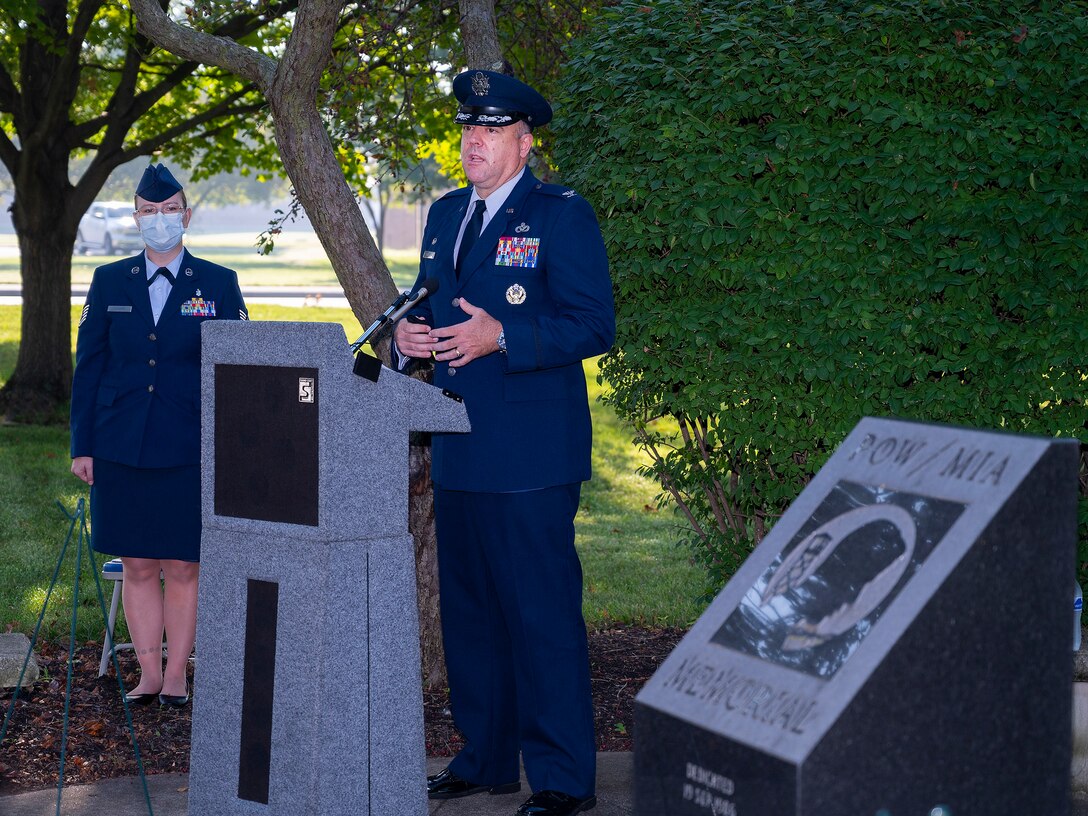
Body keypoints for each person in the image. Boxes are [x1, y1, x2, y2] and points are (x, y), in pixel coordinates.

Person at [394, 70, 615, 816]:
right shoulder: (445, 212)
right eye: (466, 129)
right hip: (458, 449)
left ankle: (561, 782)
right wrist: (405, 337)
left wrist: (504, 336)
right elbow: (427, 301)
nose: (472, 142)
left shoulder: (561, 215)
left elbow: (594, 324)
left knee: (540, 620)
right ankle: (484, 759)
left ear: (524, 142)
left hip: (530, 456)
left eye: (488, 131)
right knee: (473, 619)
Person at [70, 164, 248, 707]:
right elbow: (89, 366)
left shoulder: (217, 283)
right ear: (135, 219)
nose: (159, 220)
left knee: (183, 564)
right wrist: (83, 444)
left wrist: (231, 448)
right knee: (139, 564)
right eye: (149, 212)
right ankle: (147, 676)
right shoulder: (108, 281)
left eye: (169, 210)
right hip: (120, 443)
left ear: (186, 217)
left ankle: (177, 677)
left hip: (188, 446)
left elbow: (238, 369)